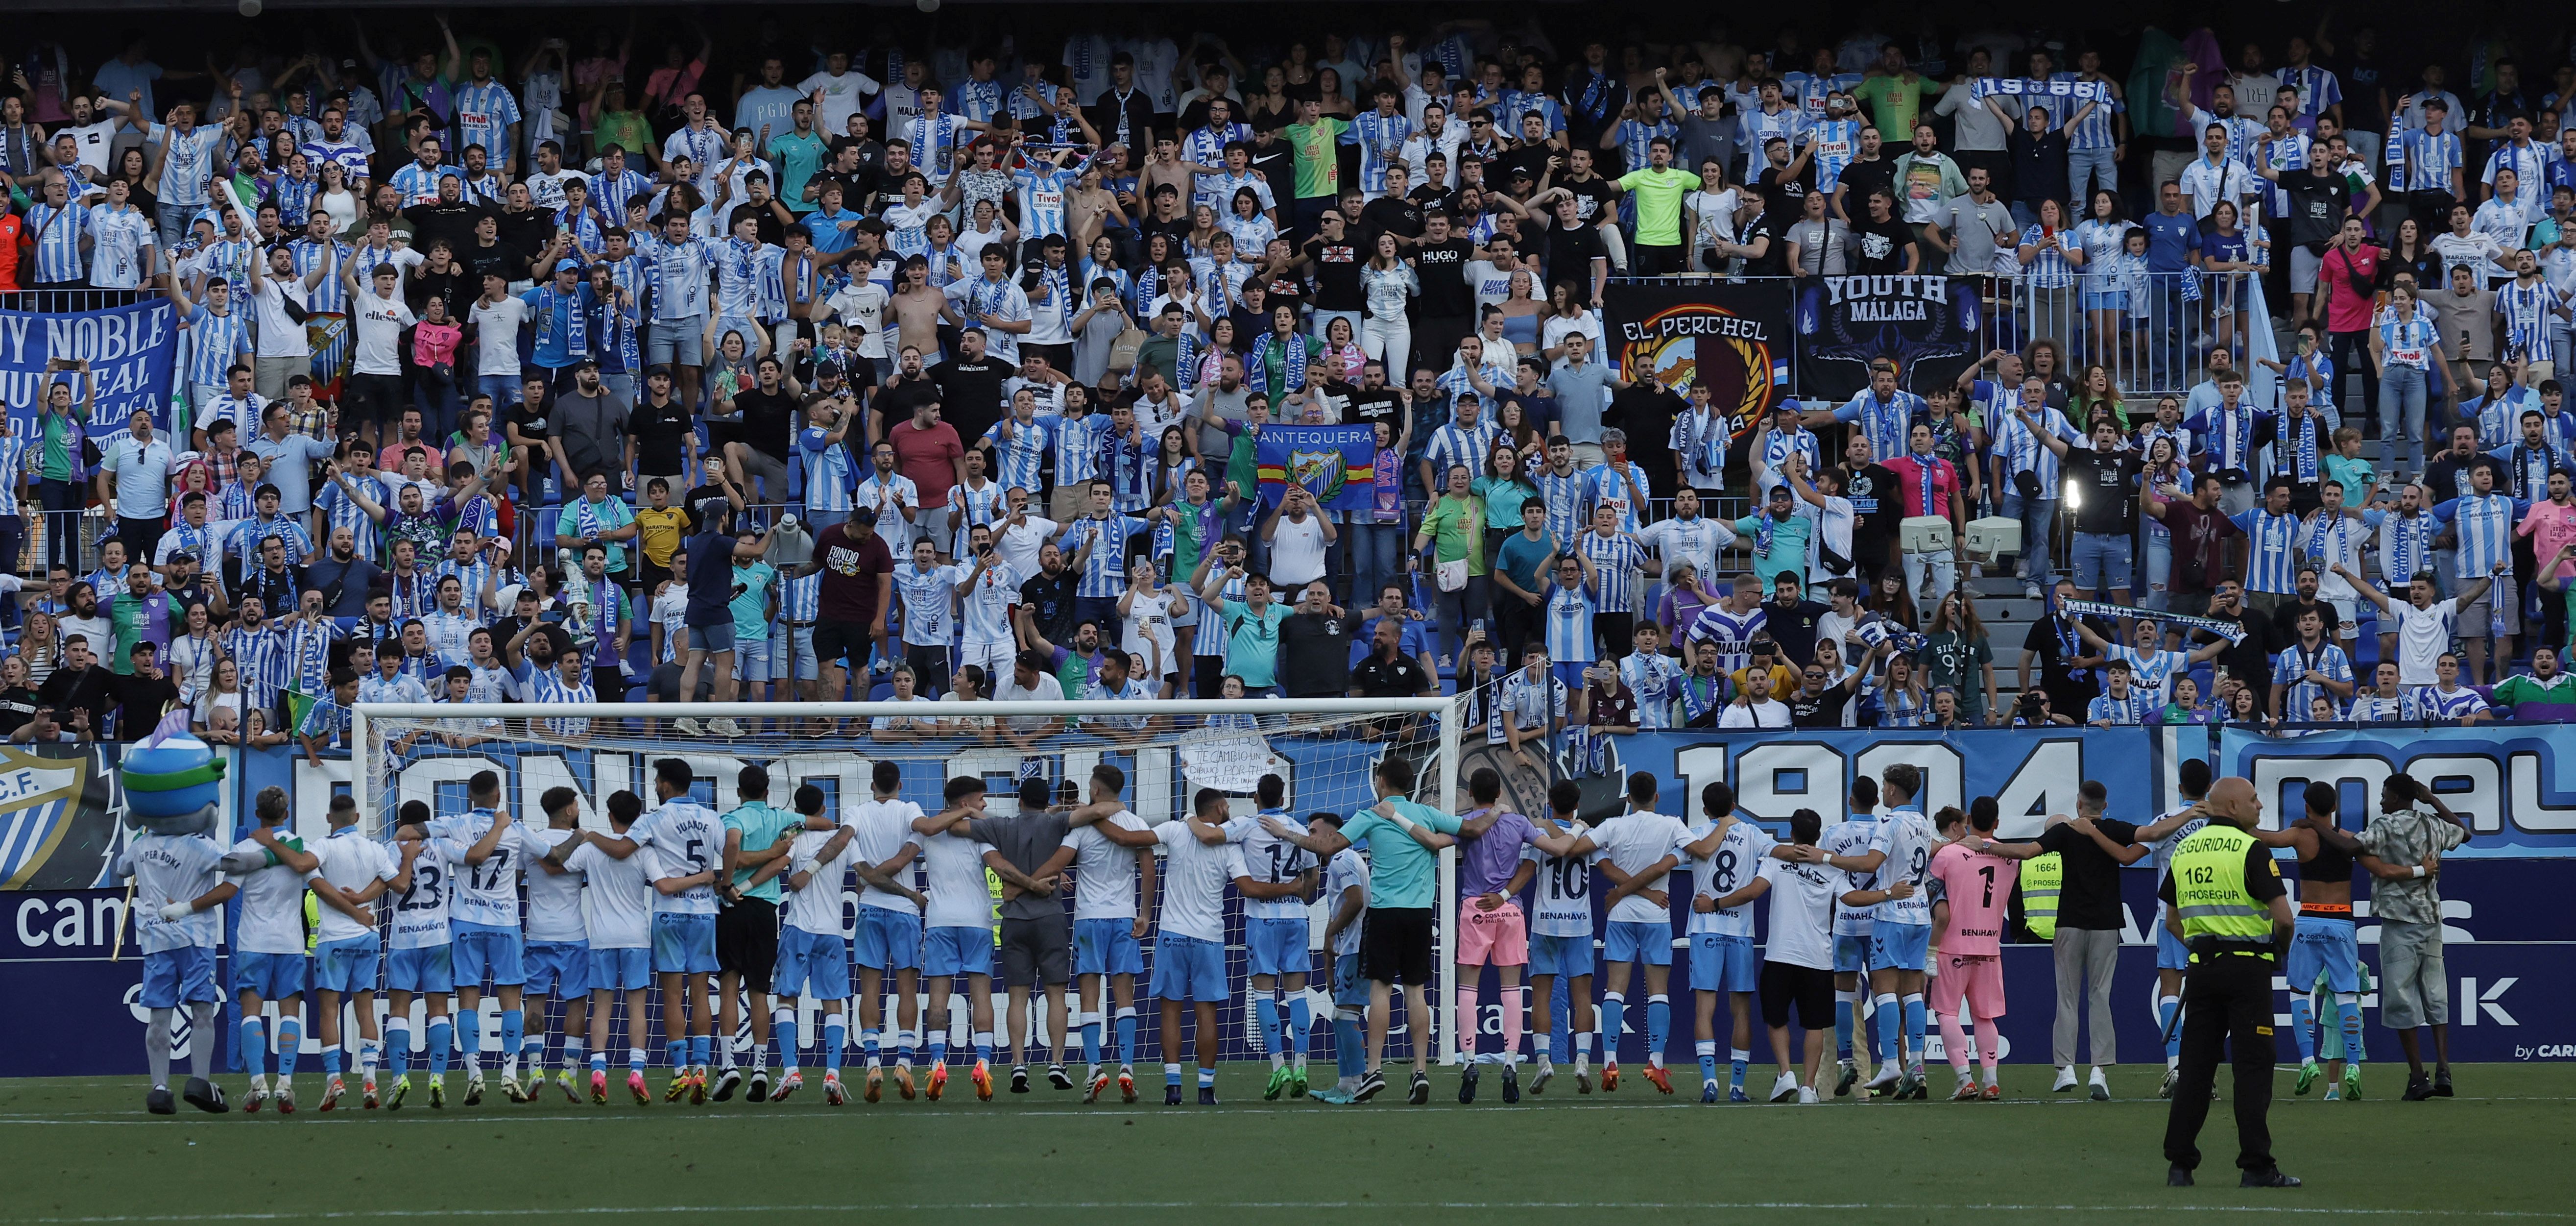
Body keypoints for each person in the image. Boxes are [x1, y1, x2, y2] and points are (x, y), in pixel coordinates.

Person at [1262, 754, 1463, 1105]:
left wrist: (1285, 833)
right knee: (1416, 993)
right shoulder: (1426, 815)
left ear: (1382, 782)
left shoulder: (1371, 816)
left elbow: (1328, 846)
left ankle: (1372, 1072)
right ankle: (1419, 1071)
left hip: (1385, 914)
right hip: (1419, 913)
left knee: (1381, 992)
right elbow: (1467, 830)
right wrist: (1491, 816)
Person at [2154, 775, 2299, 1189]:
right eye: (2254, 799)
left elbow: (2171, 921)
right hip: (2248, 970)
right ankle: (2256, 1167)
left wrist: (2201, 948)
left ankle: (2179, 1166)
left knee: (2196, 1069)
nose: (2260, 806)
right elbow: (2284, 919)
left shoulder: (2184, 849)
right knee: (2252, 1068)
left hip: (2202, 971)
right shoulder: (2250, 848)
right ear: (2232, 807)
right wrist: (2275, 951)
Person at [1529, 771, 1686, 1097]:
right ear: (1656, 796)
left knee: (1614, 988)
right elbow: (1684, 855)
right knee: (1658, 991)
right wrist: (1647, 893)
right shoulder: (1673, 825)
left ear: (1627, 797)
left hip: (1614, 916)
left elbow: (1584, 856)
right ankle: (1653, 1061)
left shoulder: (1610, 827)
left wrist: (1621, 892)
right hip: (1655, 915)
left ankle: (1609, 1061)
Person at [1809, 762, 1936, 1098]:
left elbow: (1869, 864)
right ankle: (1916, 1065)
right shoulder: (1921, 822)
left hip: (1882, 914)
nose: (1883, 792)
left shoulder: (1887, 824)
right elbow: (1935, 848)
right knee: (1911, 991)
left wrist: (1824, 857)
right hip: (1919, 913)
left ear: (1893, 790)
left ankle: (1876, 1062)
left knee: (1878, 991)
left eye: (1885, 787)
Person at [2358, 773, 2473, 1101]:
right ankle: (2443, 1068)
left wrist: (2319, 829)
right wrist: (2432, 800)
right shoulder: (2432, 824)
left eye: (2384, 795)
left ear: (2395, 799)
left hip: (2398, 921)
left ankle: (2416, 1076)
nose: (2381, 801)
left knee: (2399, 997)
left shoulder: (2384, 825)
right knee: (2435, 993)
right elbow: (2465, 834)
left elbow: (2355, 845)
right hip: (2432, 918)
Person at [1448, 768, 1544, 1103]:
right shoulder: (1517, 823)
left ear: (1471, 793)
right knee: (1512, 989)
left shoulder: (1467, 824)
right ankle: (1510, 1063)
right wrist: (1576, 828)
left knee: (1467, 989)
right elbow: (1553, 848)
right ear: (1500, 792)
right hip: (1509, 910)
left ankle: (1470, 1063)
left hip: (1475, 907)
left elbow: (1435, 841)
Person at [1928, 801, 2016, 1101]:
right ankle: (1990, 1080)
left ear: (1968, 820)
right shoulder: (2011, 860)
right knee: (1985, 1017)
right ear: (1997, 822)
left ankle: (1964, 1078)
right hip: (1989, 946)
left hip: (1952, 946)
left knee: (1947, 1012)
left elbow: (1933, 890)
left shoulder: (1948, 854)